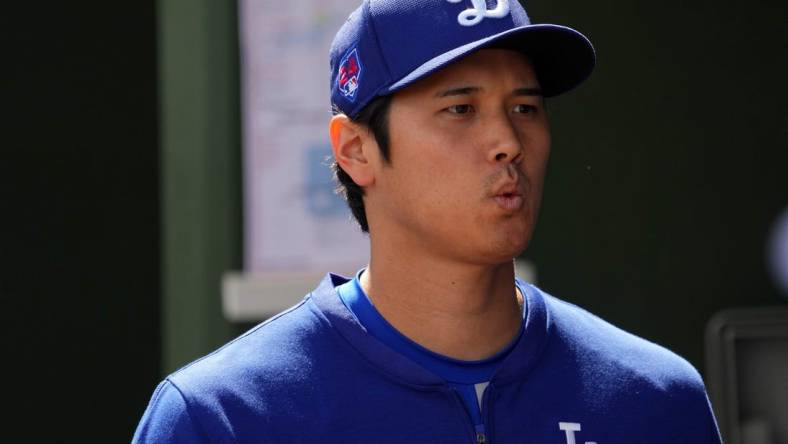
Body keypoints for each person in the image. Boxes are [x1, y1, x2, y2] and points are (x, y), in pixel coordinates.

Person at [134, 0, 724, 442]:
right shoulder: (222, 417)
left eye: (525, 107)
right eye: (460, 109)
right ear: (356, 151)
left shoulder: (654, 399)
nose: (507, 142)